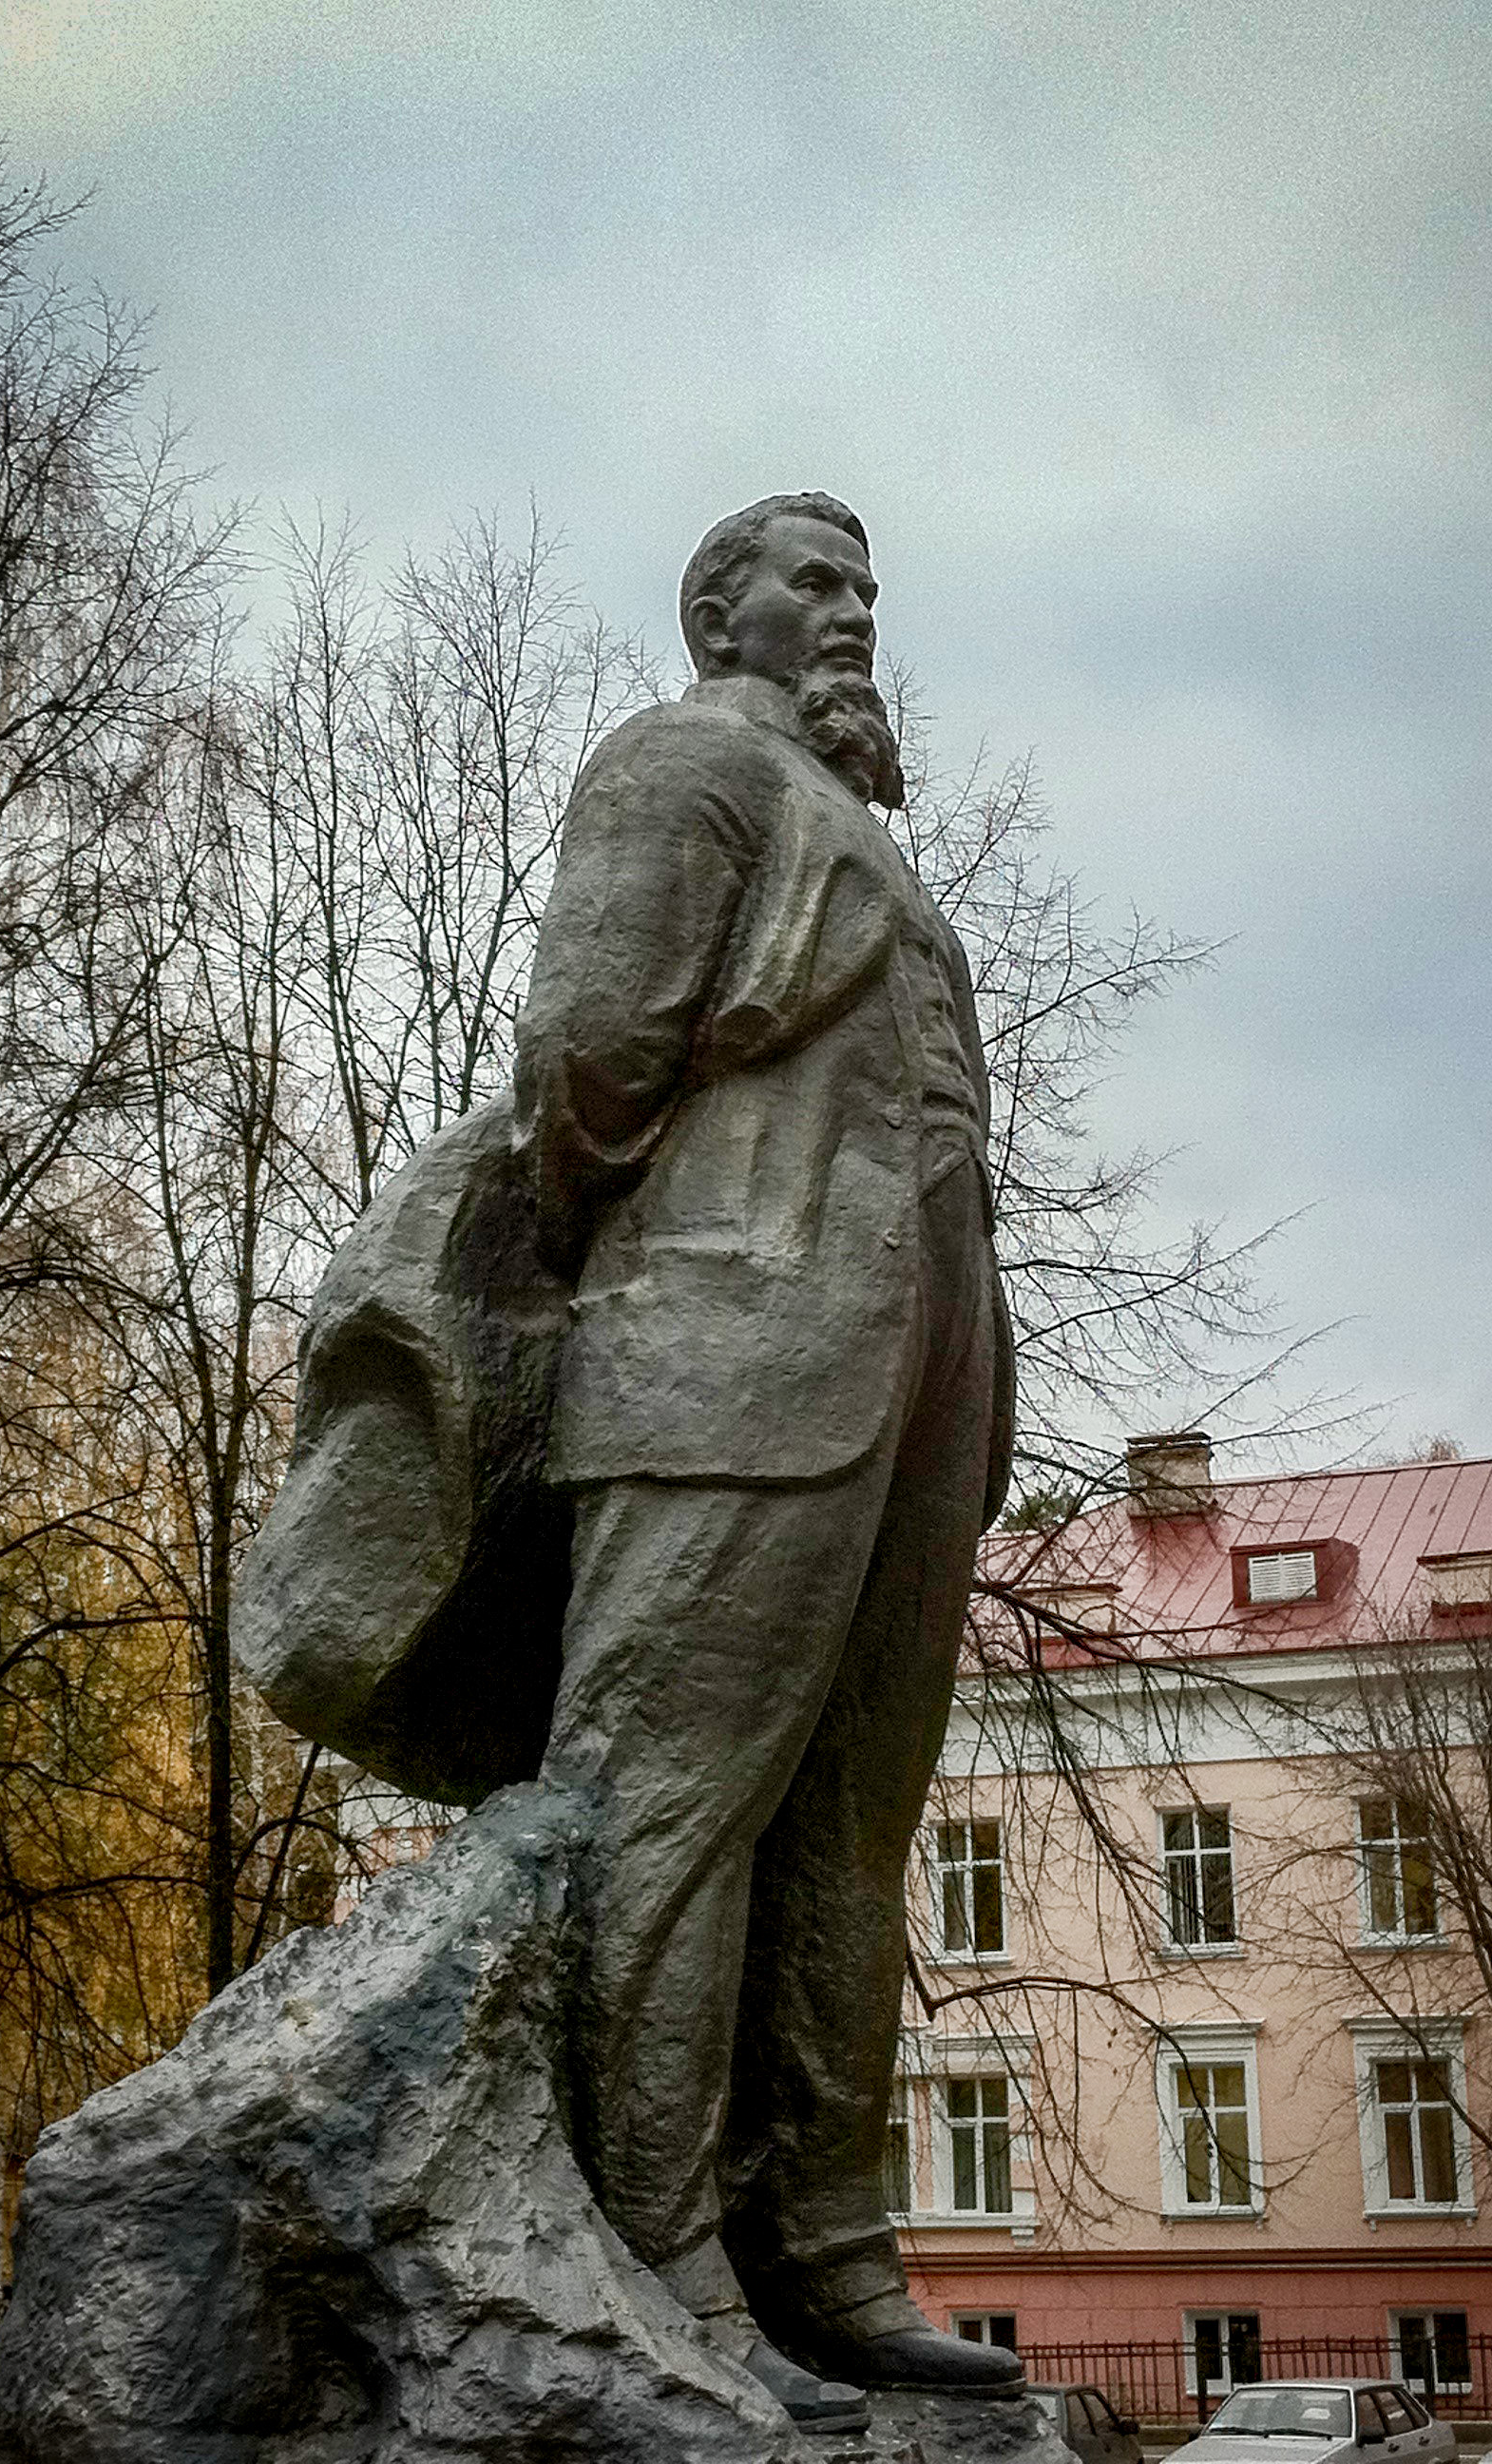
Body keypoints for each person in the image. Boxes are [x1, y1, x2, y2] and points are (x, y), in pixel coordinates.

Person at [513, 492, 1023, 2427]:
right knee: (666, 1813)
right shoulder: (678, 766)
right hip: (728, 1347)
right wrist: (679, 1261)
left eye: (869, 586)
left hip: (915, 1371)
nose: (851, 613)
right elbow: (585, 1058)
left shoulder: (865, 838)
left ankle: (825, 2258)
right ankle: (651, 2271)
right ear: (715, 608)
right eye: (814, 581)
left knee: (846, 1836)